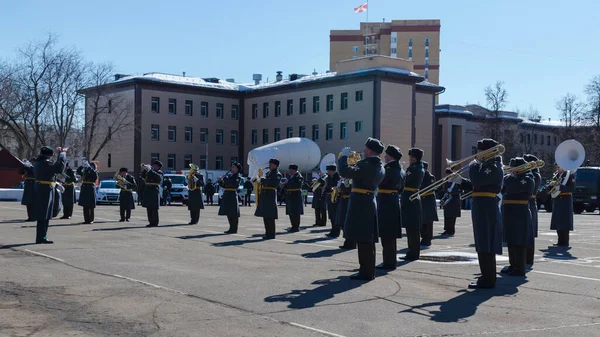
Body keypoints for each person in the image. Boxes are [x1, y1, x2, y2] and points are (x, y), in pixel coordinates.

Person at [339, 137, 385, 281]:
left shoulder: (367, 164)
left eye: (366, 148)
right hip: (368, 200)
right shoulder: (378, 165)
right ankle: (368, 270)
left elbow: (344, 171)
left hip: (361, 203)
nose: (364, 150)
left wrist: (343, 157)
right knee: (367, 239)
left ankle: (366, 272)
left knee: (363, 239)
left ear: (370, 151)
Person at [467, 138, 504, 289]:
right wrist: (459, 181)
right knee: (482, 241)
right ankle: (486, 276)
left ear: (488, 151)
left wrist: (473, 165)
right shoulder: (484, 166)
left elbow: (477, 180)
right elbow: (476, 185)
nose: (477, 153)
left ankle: (488, 279)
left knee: (486, 242)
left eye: (480, 150)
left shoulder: (494, 167)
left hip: (486, 206)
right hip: (481, 205)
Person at [500, 157, 534, 277]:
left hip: (520, 212)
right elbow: (503, 189)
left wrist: (509, 179)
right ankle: (512, 265)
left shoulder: (528, 178)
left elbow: (514, 187)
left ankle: (520, 268)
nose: (511, 170)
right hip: (509, 211)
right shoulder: (509, 178)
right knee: (511, 240)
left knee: (519, 241)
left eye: (514, 168)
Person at [376, 145, 405, 270]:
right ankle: (391, 261)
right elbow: (402, 189)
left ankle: (388, 262)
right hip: (394, 201)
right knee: (391, 235)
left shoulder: (387, 169)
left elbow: (377, 182)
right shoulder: (401, 170)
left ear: (390, 156)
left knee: (386, 234)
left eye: (386, 155)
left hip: (385, 202)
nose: (384, 157)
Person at [33, 146, 67, 244]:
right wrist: (62, 155)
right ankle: (41, 237)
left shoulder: (39, 162)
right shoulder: (45, 163)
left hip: (44, 189)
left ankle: (42, 236)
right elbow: (59, 168)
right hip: (45, 190)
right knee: (44, 214)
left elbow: (50, 173)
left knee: (45, 214)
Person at [400, 148, 425, 261]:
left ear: (414, 158)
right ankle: (413, 252)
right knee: (412, 228)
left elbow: (404, 180)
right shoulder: (419, 167)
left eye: (410, 157)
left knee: (412, 229)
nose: (409, 159)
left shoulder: (414, 168)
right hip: (413, 196)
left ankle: (413, 253)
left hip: (410, 197)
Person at [255, 158, 282, 239]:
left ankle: (271, 234)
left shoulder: (277, 174)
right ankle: (267, 233)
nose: (269, 165)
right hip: (265, 195)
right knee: (266, 215)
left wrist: (263, 180)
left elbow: (274, 184)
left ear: (275, 165)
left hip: (270, 195)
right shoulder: (269, 173)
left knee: (270, 215)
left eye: (271, 164)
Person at [549, 164, 575, 247]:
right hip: (557, 200)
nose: (557, 167)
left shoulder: (570, 176)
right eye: (556, 165)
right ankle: (560, 240)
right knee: (558, 221)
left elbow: (571, 188)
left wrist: (560, 187)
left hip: (565, 200)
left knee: (564, 221)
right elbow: (549, 187)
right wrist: (550, 186)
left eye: (559, 166)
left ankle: (565, 241)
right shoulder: (556, 175)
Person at [523, 154, 541, 266]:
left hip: (530, 202)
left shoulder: (534, 175)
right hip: (529, 203)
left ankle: (528, 259)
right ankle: (526, 259)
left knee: (529, 234)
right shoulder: (532, 174)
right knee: (526, 233)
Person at [219, 162, 242, 233]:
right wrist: (220, 181)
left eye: (233, 167)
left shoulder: (237, 176)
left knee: (233, 213)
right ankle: (231, 227)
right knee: (228, 212)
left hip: (232, 194)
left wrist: (225, 178)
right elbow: (225, 185)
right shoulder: (231, 176)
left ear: (237, 169)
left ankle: (234, 228)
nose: (231, 168)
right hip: (227, 194)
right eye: (232, 167)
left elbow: (232, 183)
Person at [420, 162, 439, 246]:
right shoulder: (421, 175)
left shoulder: (430, 176)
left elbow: (429, 188)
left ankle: (427, 239)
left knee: (428, 222)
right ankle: (424, 237)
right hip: (422, 200)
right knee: (422, 221)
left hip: (428, 201)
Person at [142, 161, 163, 227]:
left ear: (158, 167)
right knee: (149, 207)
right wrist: (145, 170)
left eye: (155, 166)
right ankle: (150, 222)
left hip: (154, 190)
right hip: (148, 190)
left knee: (154, 208)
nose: (153, 166)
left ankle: (155, 222)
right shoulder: (150, 172)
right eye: (153, 165)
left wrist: (150, 170)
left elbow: (158, 178)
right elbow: (143, 176)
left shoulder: (159, 172)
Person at [442, 169, 462, 236]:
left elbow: (459, 189)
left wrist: (452, 189)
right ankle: (447, 229)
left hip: (454, 199)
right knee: (447, 215)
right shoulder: (446, 180)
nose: (447, 175)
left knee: (452, 216)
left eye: (448, 174)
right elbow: (444, 188)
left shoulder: (456, 180)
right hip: (448, 199)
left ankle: (451, 230)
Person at [285, 164, 304, 233]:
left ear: (294, 170)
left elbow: (297, 184)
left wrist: (288, 182)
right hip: (290, 195)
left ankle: (296, 227)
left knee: (296, 212)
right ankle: (293, 226)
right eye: (289, 169)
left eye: (291, 170)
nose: (290, 171)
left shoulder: (298, 176)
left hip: (296, 195)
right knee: (291, 211)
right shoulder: (290, 176)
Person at [324, 165, 341, 236]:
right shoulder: (328, 178)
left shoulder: (338, 178)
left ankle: (336, 232)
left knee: (335, 215)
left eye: (329, 171)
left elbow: (338, 187)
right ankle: (333, 230)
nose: (328, 172)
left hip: (335, 198)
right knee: (331, 215)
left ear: (332, 171)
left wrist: (332, 189)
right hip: (329, 197)